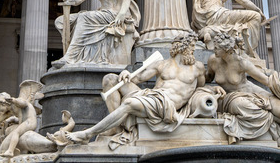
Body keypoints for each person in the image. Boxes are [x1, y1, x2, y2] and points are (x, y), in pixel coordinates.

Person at [64, 33, 205, 144]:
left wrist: (213, 92)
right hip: (152, 96)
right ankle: (116, 127)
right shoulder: (162, 64)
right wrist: (127, 74)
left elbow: (201, 89)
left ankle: (88, 134)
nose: (193, 49)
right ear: (180, 46)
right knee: (110, 79)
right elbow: (137, 79)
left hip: (165, 105)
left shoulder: (198, 68)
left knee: (129, 103)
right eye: (191, 45)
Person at [191, 0, 263, 57]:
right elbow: (241, 0)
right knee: (255, 16)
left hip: (208, 15)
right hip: (216, 13)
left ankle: (211, 31)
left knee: (237, 24)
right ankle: (247, 51)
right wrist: (257, 9)